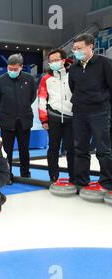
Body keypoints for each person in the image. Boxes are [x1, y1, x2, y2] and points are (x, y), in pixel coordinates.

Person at [69, 33, 112, 191]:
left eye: (79, 48)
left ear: (90, 46)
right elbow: (73, 88)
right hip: (79, 112)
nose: (76, 51)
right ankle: (81, 180)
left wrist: (102, 100)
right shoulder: (73, 68)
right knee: (80, 147)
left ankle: (107, 181)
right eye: (74, 48)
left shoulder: (105, 63)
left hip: (99, 112)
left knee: (103, 148)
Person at [0, 53, 36, 184]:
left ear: (21, 67)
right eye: (9, 69)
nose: (12, 71)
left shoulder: (29, 79)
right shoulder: (0, 80)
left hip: (24, 120)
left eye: (15, 69)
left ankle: (25, 173)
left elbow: (32, 97)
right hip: (7, 120)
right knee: (7, 151)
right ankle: (7, 175)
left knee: (24, 149)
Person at [38, 49, 74, 182]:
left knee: (72, 149)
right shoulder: (45, 79)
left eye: (56, 60)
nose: (52, 63)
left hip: (72, 118)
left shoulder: (73, 74)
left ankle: (74, 176)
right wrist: (43, 119)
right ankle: (53, 176)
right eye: (50, 61)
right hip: (53, 118)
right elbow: (42, 100)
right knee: (53, 148)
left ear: (63, 60)